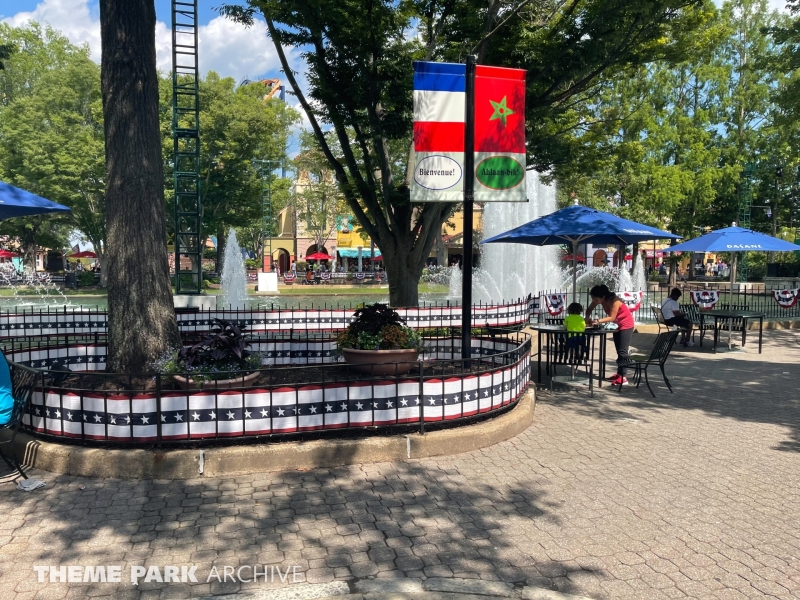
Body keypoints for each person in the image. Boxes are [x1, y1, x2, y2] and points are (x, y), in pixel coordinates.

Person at [585, 285, 635, 386]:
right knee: (618, 350)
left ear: (603, 297)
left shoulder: (615, 301)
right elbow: (589, 309)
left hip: (626, 325)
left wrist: (597, 321)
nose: (594, 301)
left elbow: (612, 317)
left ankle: (623, 377)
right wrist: (587, 317)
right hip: (617, 326)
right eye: (593, 299)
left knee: (623, 351)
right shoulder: (598, 300)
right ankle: (619, 374)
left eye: (596, 299)